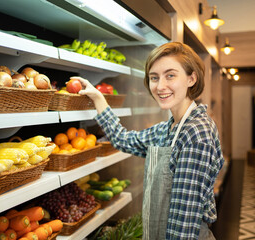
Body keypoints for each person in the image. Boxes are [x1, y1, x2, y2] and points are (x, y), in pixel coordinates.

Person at [73, 42, 224, 239]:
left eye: (170, 75)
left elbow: (183, 227)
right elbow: (124, 140)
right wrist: (99, 99)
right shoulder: (169, 128)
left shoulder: (196, 134)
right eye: (154, 77)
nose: (160, 86)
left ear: (191, 78)